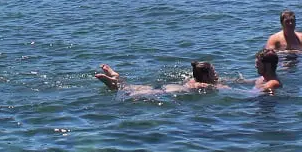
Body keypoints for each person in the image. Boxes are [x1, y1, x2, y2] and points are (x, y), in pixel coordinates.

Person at [94, 61, 227, 95]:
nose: (216, 74)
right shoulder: (203, 85)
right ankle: (113, 84)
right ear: (205, 76)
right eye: (213, 72)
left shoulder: (193, 79)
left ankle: (116, 78)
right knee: (130, 93)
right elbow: (223, 87)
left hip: (167, 87)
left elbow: (233, 81)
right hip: (168, 92)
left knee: (131, 88)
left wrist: (247, 81)